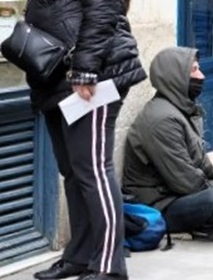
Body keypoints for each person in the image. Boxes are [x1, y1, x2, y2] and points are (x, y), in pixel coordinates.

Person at [25, 0, 147, 279]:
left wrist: (85, 68)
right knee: (73, 171)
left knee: (94, 170)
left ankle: (109, 266)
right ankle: (79, 256)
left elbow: (103, 9)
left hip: (92, 76)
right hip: (56, 78)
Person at [122, 47, 213, 244]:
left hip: (178, 195)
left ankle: (208, 227)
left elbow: (202, 161)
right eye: (194, 70)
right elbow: (186, 182)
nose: (201, 76)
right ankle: (200, 227)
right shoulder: (161, 120)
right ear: (175, 76)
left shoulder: (182, 109)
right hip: (158, 205)